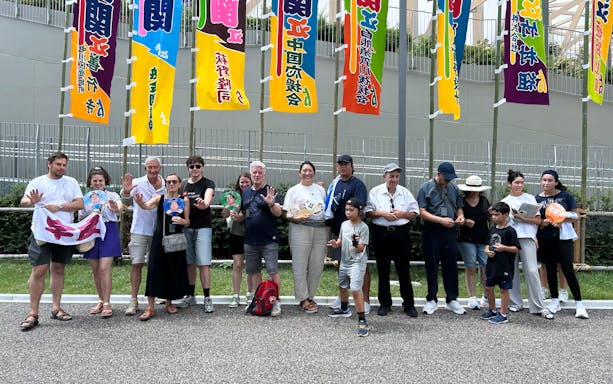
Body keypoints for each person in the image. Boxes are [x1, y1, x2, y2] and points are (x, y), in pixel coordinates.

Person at [19, 152, 84, 330]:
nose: (62, 168)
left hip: (64, 233)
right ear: (49, 164)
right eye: (58, 165)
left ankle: (56, 308)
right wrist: (30, 201)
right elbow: (24, 201)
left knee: (58, 268)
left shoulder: (71, 182)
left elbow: (80, 204)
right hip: (42, 232)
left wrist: (60, 206)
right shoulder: (37, 182)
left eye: (64, 165)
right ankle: (33, 313)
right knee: (39, 270)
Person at [133, 174, 190, 320]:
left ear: (179, 184)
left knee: (172, 270)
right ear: (165, 184)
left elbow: (188, 222)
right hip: (160, 238)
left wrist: (182, 220)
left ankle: (169, 303)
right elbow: (146, 206)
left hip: (175, 240)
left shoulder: (184, 201)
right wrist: (139, 202)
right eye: (168, 181)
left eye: (174, 182)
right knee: (153, 270)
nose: (171, 184)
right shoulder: (160, 198)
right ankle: (150, 307)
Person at [365, 163, 419, 317]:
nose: (394, 179)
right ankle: (385, 304)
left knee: (404, 270)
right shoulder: (375, 192)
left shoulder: (405, 193)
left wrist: (402, 214)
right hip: (381, 233)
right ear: (384, 177)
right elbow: (368, 212)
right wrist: (382, 213)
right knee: (383, 270)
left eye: (396, 176)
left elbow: (414, 213)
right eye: (391, 176)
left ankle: (408, 304)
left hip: (400, 233)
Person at [230, 161, 283, 316]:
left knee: (273, 272)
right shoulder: (245, 193)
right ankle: (260, 300)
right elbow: (244, 215)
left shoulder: (271, 191)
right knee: (253, 272)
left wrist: (272, 204)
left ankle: (275, 302)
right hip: (250, 240)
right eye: (254, 172)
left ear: (264, 174)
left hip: (269, 239)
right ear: (251, 174)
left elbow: (279, 213)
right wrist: (237, 216)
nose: (257, 175)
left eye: (260, 172)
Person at [536, 170, 588, 319]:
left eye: (550, 180)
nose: (546, 183)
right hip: (546, 238)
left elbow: (575, 216)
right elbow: (536, 219)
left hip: (563, 238)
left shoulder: (565, 196)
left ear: (556, 182)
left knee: (567, 269)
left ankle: (579, 304)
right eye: (544, 180)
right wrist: (543, 222)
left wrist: (561, 218)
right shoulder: (537, 199)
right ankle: (554, 301)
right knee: (550, 269)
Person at [501, 170, 553, 318]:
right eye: (517, 182)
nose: (520, 185)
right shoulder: (505, 201)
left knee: (531, 270)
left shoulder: (530, 198)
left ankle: (538, 306)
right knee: (512, 272)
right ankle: (515, 303)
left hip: (527, 237)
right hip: (510, 238)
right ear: (509, 184)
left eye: (522, 182)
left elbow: (538, 221)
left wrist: (522, 218)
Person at [416, 161, 466, 315]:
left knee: (451, 264)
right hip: (432, 230)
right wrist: (440, 220)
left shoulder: (454, 188)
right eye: (446, 179)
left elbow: (459, 207)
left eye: (450, 179)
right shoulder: (425, 188)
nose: (448, 182)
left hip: (450, 230)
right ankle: (431, 299)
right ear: (438, 175)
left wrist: (461, 217)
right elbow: (421, 211)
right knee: (431, 264)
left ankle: (452, 299)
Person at [324, 154, 370, 314]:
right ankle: (343, 299)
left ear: (351, 166)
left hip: (355, 232)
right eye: (340, 164)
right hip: (339, 230)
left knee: (360, 266)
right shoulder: (335, 183)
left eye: (346, 164)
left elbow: (362, 208)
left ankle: (365, 300)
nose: (342, 167)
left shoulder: (358, 185)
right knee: (342, 265)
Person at [120, 156, 165, 315]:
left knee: (156, 265)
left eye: (155, 167)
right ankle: (133, 300)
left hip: (158, 231)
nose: (152, 170)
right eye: (149, 167)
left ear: (160, 168)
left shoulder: (167, 184)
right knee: (137, 263)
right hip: (139, 229)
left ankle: (157, 293)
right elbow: (125, 195)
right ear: (145, 168)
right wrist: (126, 189)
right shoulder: (138, 182)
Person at [283, 161, 327, 314]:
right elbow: (286, 213)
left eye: (310, 171)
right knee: (300, 265)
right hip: (300, 229)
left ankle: (310, 295)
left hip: (321, 230)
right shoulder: (293, 191)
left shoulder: (321, 190)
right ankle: (302, 298)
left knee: (317, 265)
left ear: (314, 173)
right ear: (300, 173)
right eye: (304, 171)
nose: (307, 173)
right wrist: (294, 218)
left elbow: (325, 209)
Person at [79, 166, 123, 318]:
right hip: (91, 231)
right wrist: (91, 212)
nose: (98, 183)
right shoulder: (86, 198)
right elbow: (79, 217)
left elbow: (119, 209)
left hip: (108, 230)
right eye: (95, 181)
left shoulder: (112, 195)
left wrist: (113, 206)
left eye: (101, 180)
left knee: (104, 268)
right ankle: (100, 299)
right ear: (90, 183)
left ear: (106, 182)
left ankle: (107, 303)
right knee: (95, 269)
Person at [177, 155, 216, 312]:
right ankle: (190, 295)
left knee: (204, 263)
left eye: (198, 166)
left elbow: (208, 197)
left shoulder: (208, 183)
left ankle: (207, 297)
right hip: (186, 228)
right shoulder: (183, 186)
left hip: (203, 228)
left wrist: (204, 204)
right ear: (188, 169)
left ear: (203, 167)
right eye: (191, 166)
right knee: (189, 262)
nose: (195, 169)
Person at [327, 198, 370, 337]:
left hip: (357, 262)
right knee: (342, 286)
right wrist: (336, 244)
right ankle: (345, 309)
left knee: (356, 290)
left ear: (359, 211)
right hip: (344, 261)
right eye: (346, 210)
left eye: (351, 210)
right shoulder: (344, 224)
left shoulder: (363, 228)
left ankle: (362, 320)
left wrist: (356, 244)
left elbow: (361, 248)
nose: (348, 212)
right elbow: (340, 240)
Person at [480, 202, 520, 324]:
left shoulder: (510, 231)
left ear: (506, 215)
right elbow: (487, 245)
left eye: (497, 215)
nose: (493, 217)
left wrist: (504, 248)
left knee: (503, 289)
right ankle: (492, 310)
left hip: (505, 266)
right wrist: (487, 251)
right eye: (492, 215)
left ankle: (503, 314)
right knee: (488, 287)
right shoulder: (492, 229)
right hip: (492, 265)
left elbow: (516, 248)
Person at [456, 175, 491, 310]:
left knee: (485, 267)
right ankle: (472, 297)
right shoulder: (461, 202)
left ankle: (486, 296)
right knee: (470, 267)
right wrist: (465, 221)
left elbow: (489, 218)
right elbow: (457, 218)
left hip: (483, 237)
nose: (475, 191)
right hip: (466, 238)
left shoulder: (484, 201)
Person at [222, 172, 254, 308]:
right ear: (238, 183)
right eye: (242, 182)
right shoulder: (233, 196)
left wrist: (241, 217)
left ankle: (249, 294)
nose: (244, 184)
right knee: (238, 264)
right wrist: (228, 207)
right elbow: (224, 215)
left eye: (247, 182)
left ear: (251, 182)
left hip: (252, 234)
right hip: (236, 234)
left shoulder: (254, 195)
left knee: (251, 267)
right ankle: (235, 295)